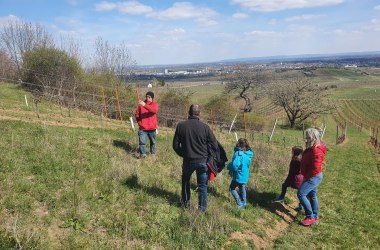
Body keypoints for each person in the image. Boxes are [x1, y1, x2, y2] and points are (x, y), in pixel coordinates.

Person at [172, 104, 218, 212]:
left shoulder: (181, 126)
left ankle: (185, 203)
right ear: (199, 114)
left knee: (185, 182)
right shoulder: (205, 127)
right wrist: (208, 156)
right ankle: (201, 209)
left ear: (188, 113)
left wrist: (184, 154)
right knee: (202, 186)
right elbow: (214, 145)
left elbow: (175, 146)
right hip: (203, 161)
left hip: (188, 160)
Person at [297, 128, 327, 226]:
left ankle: (310, 217)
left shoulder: (316, 150)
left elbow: (315, 167)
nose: (305, 138)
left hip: (313, 176)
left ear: (311, 137)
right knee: (312, 195)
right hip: (313, 176)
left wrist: (307, 177)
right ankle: (315, 214)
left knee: (301, 194)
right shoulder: (313, 147)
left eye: (307, 137)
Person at [273, 146, 304, 211]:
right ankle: (301, 205)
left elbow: (292, 171)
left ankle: (281, 197)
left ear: (295, 152)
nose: (291, 152)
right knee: (301, 193)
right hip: (301, 179)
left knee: (284, 185)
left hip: (294, 178)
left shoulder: (295, 161)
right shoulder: (302, 160)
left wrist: (288, 179)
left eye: (292, 151)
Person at [227, 138, 254, 208]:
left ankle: (239, 203)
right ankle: (244, 202)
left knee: (232, 188)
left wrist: (228, 166)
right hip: (245, 176)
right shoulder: (248, 154)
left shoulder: (239, 154)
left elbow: (234, 165)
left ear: (239, 145)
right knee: (242, 188)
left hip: (238, 176)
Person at [135, 91, 159, 159]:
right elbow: (137, 114)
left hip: (152, 128)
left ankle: (153, 154)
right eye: (147, 96)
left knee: (153, 142)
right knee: (142, 142)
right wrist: (139, 123)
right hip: (143, 128)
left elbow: (154, 111)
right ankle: (143, 155)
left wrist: (144, 105)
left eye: (149, 97)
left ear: (152, 98)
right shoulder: (141, 105)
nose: (147, 98)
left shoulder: (154, 104)